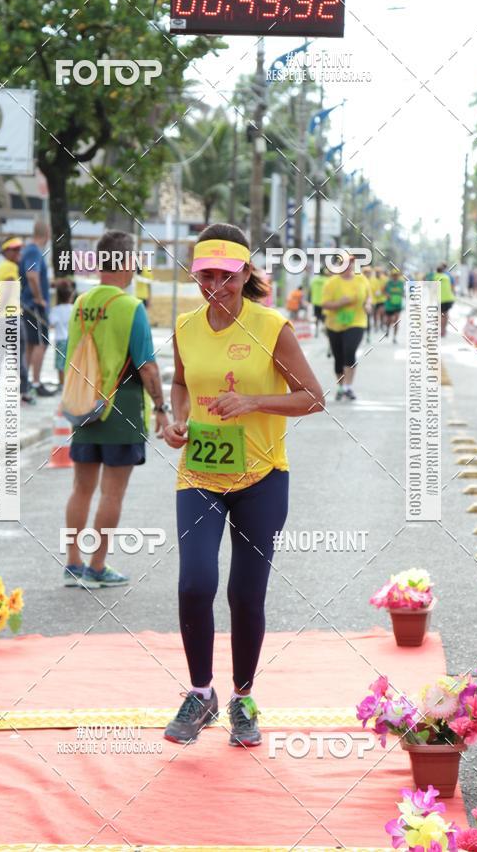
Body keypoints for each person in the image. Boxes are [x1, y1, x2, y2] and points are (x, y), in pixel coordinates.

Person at [162, 223, 324, 747]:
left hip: (261, 477)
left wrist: (255, 402)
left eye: (227, 276)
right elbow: (183, 382)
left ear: (245, 273)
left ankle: (243, 699)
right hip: (200, 475)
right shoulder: (186, 327)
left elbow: (313, 396)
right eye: (206, 275)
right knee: (195, 583)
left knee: (245, 594)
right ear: (195, 275)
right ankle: (200, 692)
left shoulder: (272, 327)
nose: (216, 286)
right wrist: (175, 419)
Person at [63, 231, 169, 589]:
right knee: (112, 493)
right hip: (120, 409)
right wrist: (161, 406)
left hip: (83, 406)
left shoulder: (81, 303)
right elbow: (148, 367)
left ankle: (73, 564)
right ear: (125, 263)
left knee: (81, 488)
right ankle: (97, 565)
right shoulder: (130, 307)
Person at [321, 254, 372, 401]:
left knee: (350, 351)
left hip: (357, 321)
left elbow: (368, 295)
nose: (349, 265)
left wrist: (368, 304)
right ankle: (341, 386)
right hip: (334, 324)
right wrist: (339, 303)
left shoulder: (361, 279)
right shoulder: (331, 283)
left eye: (351, 263)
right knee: (338, 357)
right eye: (345, 263)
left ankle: (349, 387)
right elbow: (324, 304)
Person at [0, 236, 34, 405]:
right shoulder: (10, 267)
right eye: (15, 250)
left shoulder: (1, 267)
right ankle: (24, 393)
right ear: (6, 251)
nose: (19, 253)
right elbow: (9, 289)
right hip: (11, 317)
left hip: (1, 318)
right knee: (18, 357)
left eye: (19, 249)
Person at [20, 219, 55, 396]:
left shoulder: (28, 250)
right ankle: (35, 381)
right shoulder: (34, 252)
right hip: (34, 306)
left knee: (31, 344)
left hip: (27, 304)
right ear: (46, 234)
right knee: (41, 342)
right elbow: (32, 275)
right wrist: (40, 298)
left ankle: (25, 380)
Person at [50, 281, 74, 387]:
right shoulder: (74, 308)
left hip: (60, 340)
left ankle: (61, 384)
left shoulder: (55, 310)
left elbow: (51, 324)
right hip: (72, 340)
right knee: (71, 362)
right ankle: (70, 384)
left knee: (60, 364)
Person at [383, 268, 405, 344]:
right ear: (392, 276)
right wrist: (387, 295)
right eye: (394, 275)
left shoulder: (401, 283)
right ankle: (387, 329)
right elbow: (383, 290)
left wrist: (403, 295)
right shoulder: (388, 283)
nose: (395, 276)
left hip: (398, 305)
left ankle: (394, 337)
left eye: (397, 275)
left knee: (396, 321)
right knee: (389, 320)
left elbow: (403, 292)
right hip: (389, 305)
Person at [434, 263, 455, 337]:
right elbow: (452, 287)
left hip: (440, 299)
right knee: (445, 314)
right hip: (449, 298)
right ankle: (444, 330)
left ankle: (439, 330)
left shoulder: (435, 277)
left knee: (439, 314)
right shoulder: (448, 276)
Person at [309, 267, 328, 337]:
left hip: (315, 301)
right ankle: (324, 328)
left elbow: (310, 291)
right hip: (324, 303)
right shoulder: (327, 280)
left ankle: (316, 330)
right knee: (324, 317)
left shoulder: (314, 280)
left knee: (316, 316)